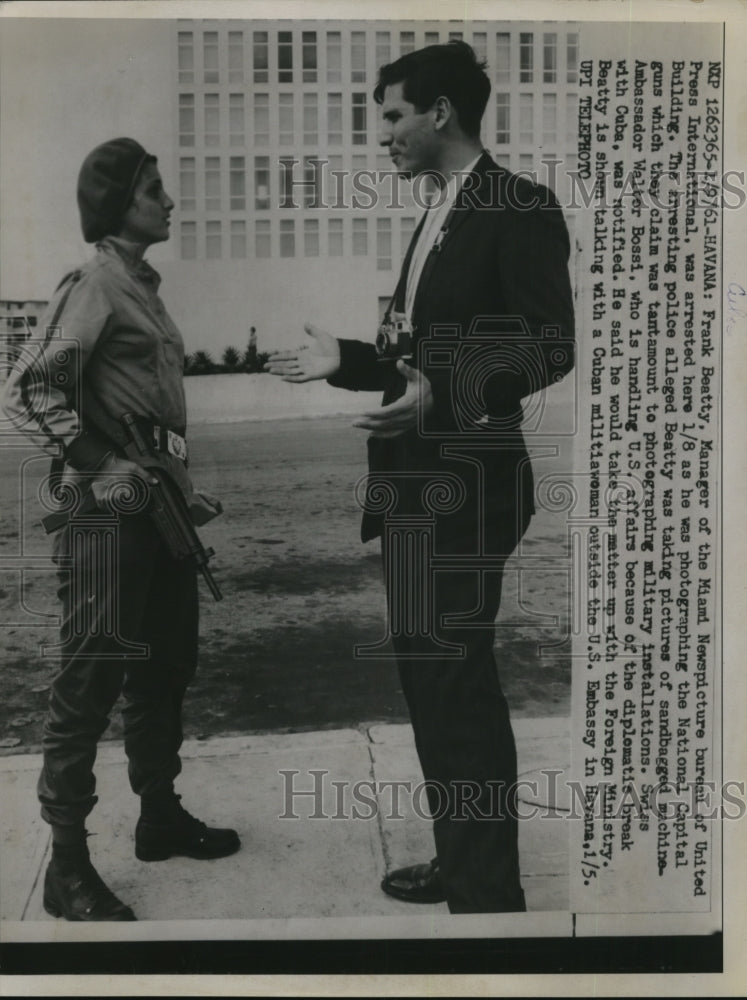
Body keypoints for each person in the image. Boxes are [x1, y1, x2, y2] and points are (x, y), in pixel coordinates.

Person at [265, 41, 575, 913]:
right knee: (427, 679)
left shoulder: (516, 204)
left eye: (395, 116)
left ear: (441, 111)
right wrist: (348, 360)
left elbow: (549, 342)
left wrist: (441, 389)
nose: (384, 136)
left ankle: (485, 893)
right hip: (410, 487)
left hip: (467, 486)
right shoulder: (439, 211)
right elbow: (417, 358)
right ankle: (460, 856)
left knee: (455, 681)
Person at [2, 138, 240, 922]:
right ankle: (65, 867)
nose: (168, 201)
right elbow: (31, 390)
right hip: (105, 520)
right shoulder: (98, 281)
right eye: (152, 189)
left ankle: (159, 817)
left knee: (165, 668)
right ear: (116, 203)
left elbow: (149, 415)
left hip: (157, 511)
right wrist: (101, 465)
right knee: (90, 682)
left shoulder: (142, 287)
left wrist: (180, 487)